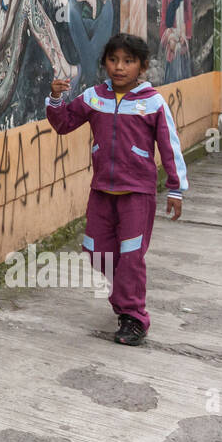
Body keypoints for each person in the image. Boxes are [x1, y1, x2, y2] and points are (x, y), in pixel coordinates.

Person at [44, 32, 187, 347]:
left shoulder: (152, 102)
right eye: (113, 60)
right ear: (105, 63)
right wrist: (55, 100)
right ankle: (124, 294)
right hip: (102, 193)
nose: (119, 67)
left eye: (128, 61)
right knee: (97, 253)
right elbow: (64, 123)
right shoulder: (94, 97)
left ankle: (133, 317)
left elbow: (170, 146)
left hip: (137, 195)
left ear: (142, 66)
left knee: (131, 257)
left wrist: (176, 188)